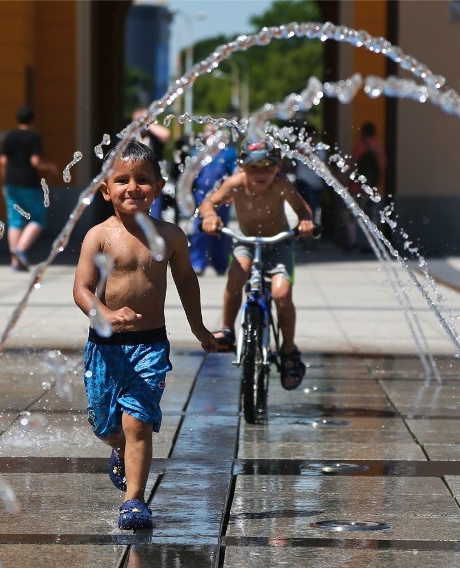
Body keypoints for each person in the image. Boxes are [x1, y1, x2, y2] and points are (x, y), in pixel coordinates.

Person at [73, 139, 216, 530]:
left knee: (137, 422)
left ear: (159, 185)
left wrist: (199, 328)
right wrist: (103, 312)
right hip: (104, 347)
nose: (132, 187)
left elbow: (186, 281)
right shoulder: (99, 236)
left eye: (142, 180)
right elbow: (81, 289)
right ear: (105, 189)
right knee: (107, 427)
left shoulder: (170, 236)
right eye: (122, 180)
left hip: (149, 344)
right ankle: (118, 450)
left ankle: (133, 501)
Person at [199, 138, 315, 390]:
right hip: (247, 241)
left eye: (267, 166)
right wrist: (209, 215)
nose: (260, 173)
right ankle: (228, 330)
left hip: (279, 242)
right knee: (235, 278)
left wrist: (305, 221)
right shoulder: (235, 184)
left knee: (282, 294)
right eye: (253, 167)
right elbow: (209, 202)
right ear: (242, 167)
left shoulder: (282, 185)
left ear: (278, 166)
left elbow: (303, 209)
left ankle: (288, 350)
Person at [0, 105, 59, 271]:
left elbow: (3, 162)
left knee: (14, 219)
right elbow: (35, 162)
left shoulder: (10, 136)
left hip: (11, 183)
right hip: (29, 183)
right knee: (38, 219)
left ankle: (14, 261)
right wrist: (51, 167)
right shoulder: (34, 137)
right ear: (32, 120)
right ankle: (21, 249)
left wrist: (5, 182)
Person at [189, 124, 238, 275]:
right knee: (199, 230)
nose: (210, 135)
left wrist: (233, 194)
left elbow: (235, 174)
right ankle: (197, 263)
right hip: (200, 195)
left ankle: (221, 264)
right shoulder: (197, 152)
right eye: (207, 132)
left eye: (213, 132)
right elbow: (189, 178)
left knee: (220, 231)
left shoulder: (228, 153)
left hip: (221, 197)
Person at [347, 121, 388, 252]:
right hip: (374, 188)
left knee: (352, 215)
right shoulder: (378, 149)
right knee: (372, 216)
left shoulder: (360, 147)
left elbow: (353, 166)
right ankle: (371, 245)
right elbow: (383, 168)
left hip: (357, 187)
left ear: (363, 132)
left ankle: (353, 242)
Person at [130, 108, 172, 221]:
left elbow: (166, 135)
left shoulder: (154, 137)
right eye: (139, 120)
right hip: (134, 181)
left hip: (152, 182)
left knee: (154, 217)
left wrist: (148, 124)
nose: (141, 123)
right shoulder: (130, 138)